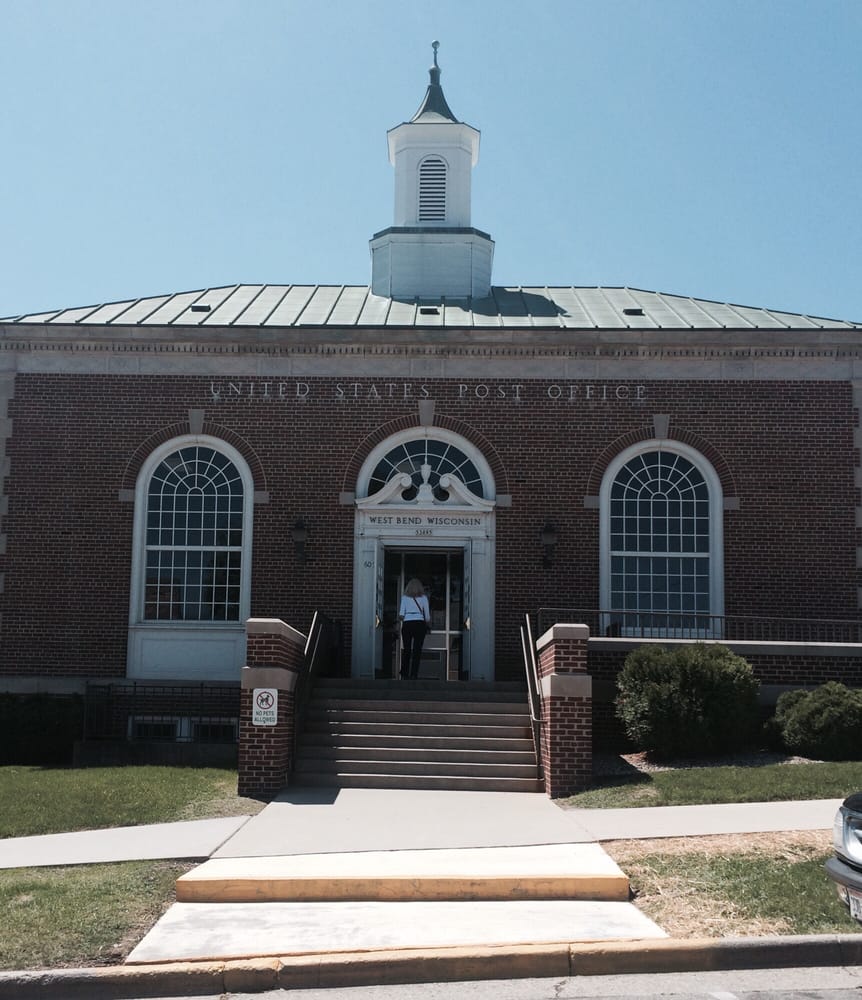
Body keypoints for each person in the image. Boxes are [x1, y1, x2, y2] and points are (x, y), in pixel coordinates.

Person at [398, 578, 431, 679]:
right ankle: (414, 674)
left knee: (407, 650)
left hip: (407, 624)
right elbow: (428, 617)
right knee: (417, 651)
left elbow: (401, 615)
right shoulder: (424, 598)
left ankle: (404, 672)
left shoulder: (404, 598)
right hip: (420, 624)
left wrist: (407, 615)